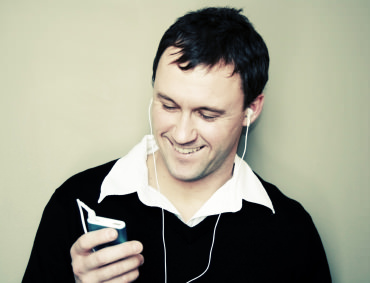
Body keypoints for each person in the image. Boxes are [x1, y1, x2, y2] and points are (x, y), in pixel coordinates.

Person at [23, 7, 331, 282]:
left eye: (207, 114)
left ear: (251, 109)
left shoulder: (292, 231)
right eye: (168, 106)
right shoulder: (75, 203)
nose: (182, 135)